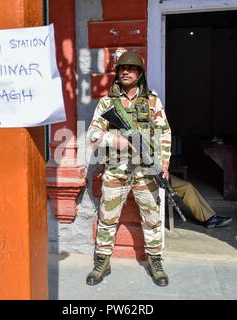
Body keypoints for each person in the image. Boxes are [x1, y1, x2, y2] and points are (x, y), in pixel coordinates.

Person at [86, 51, 171, 287]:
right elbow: (93, 134)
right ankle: (102, 261)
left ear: (139, 73)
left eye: (131, 68)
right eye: (122, 68)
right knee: (107, 217)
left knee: (152, 218)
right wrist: (117, 140)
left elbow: (164, 132)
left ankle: (155, 260)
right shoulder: (107, 103)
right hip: (116, 169)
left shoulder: (152, 101)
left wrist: (164, 163)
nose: (125, 71)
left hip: (146, 170)